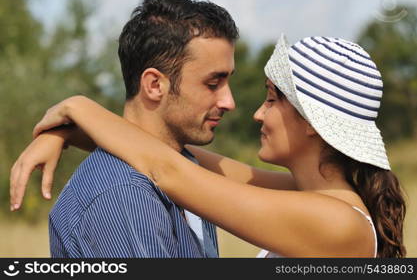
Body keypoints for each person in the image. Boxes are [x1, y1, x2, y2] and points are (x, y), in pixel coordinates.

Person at [11, 35, 406, 257]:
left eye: (272, 99)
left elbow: (168, 170)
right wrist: (62, 132)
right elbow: (167, 152)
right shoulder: (319, 199)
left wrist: (77, 105)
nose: (255, 113)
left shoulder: (336, 223)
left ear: (312, 124)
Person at [10, 0, 244, 258]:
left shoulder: (187, 168)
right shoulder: (124, 195)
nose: (229, 101)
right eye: (213, 83)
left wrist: (73, 123)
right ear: (155, 85)